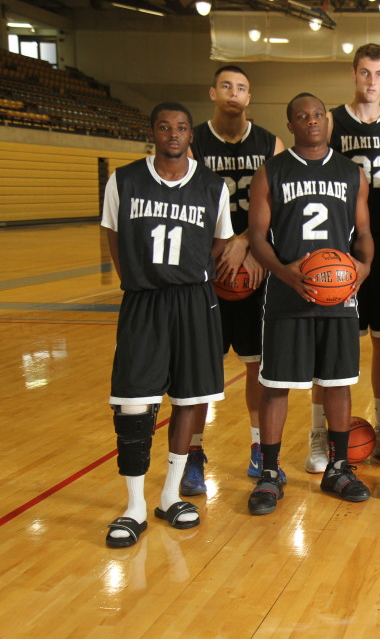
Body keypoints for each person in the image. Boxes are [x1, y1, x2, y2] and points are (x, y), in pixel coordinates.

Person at [102, 102, 233, 547]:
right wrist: (136, 280)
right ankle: (133, 505)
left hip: (194, 301)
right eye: (165, 127)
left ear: (190, 134)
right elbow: (114, 235)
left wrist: (190, 271)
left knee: (191, 397)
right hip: (143, 301)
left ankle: (169, 494)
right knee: (134, 403)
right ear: (153, 132)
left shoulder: (212, 186)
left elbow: (220, 241)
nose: (173, 134)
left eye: (181, 128)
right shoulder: (123, 179)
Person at [246, 93, 374, 515]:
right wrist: (285, 273)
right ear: (291, 125)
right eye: (302, 116)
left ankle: (339, 467)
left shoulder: (352, 173)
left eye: (318, 115)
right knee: (277, 384)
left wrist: (364, 269)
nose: (312, 121)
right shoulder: (270, 173)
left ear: (328, 121)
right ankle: (269, 473)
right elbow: (258, 238)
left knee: (338, 381)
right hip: (288, 294)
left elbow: (364, 234)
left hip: (339, 295)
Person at [182, 65, 287, 496]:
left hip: (255, 267)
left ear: (250, 97)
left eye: (241, 87)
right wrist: (220, 247)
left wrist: (247, 242)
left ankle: (260, 448)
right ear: (212, 92)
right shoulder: (194, 142)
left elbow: (282, 202)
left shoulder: (269, 143)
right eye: (226, 85)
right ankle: (192, 454)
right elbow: (184, 200)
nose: (233, 93)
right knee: (199, 369)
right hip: (207, 267)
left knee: (257, 367)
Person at [328, 43, 380, 467]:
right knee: (332, 343)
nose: (371, 81)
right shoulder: (330, 121)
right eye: (364, 72)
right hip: (339, 249)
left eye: (379, 73)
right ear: (353, 73)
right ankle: (321, 434)